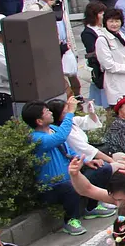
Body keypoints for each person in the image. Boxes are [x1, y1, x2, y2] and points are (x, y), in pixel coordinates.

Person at [26, 97, 116, 235]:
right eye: (46, 111)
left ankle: (92, 208)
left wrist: (86, 161)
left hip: (70, 176)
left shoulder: (54, 129)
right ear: (39, 121)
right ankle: (70, 220)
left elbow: (68, 150)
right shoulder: (37, 138)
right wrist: (70, 113)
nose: (50, 112)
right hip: (54, 186)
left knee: (101, 168)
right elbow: (60, 138)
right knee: (70, 185)